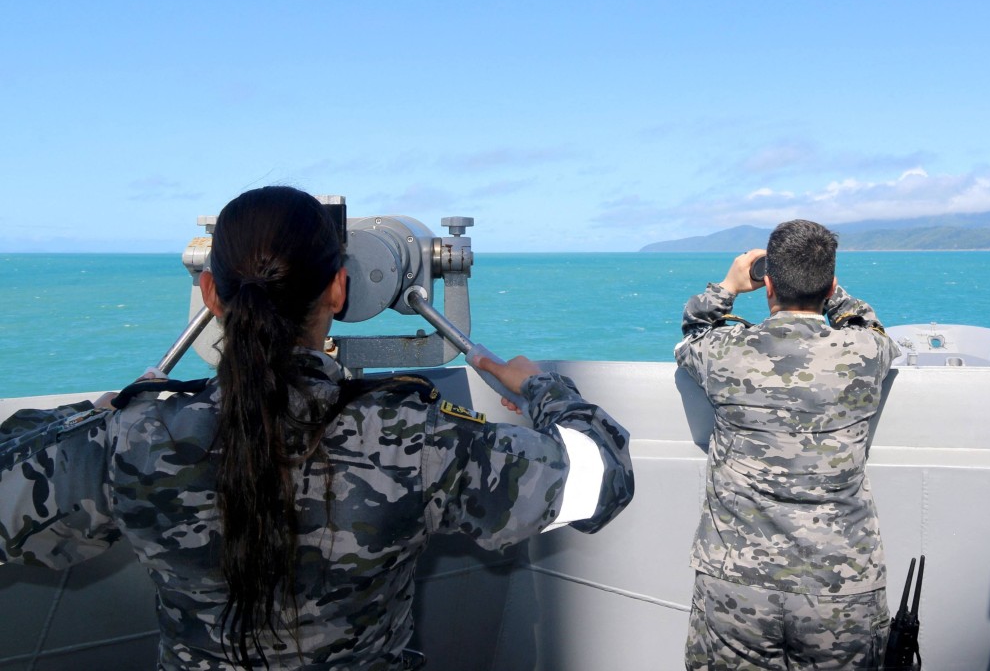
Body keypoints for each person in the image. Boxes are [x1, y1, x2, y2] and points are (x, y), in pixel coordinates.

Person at [0, 186, 633, 670]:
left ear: (211, 294)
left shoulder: (133, 439)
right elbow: (600, 476)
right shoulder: (414, 441)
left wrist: (114, 409)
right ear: (338, 288)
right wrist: (542, 389)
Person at [674, 219, 900, 670]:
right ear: (831, 284)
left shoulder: (723, 352)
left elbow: (695, 327)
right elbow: (869, 324)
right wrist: (832, 291)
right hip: (842, 586)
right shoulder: (865, 353)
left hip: (737, 582)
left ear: (768, 284)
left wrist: (729, 285)